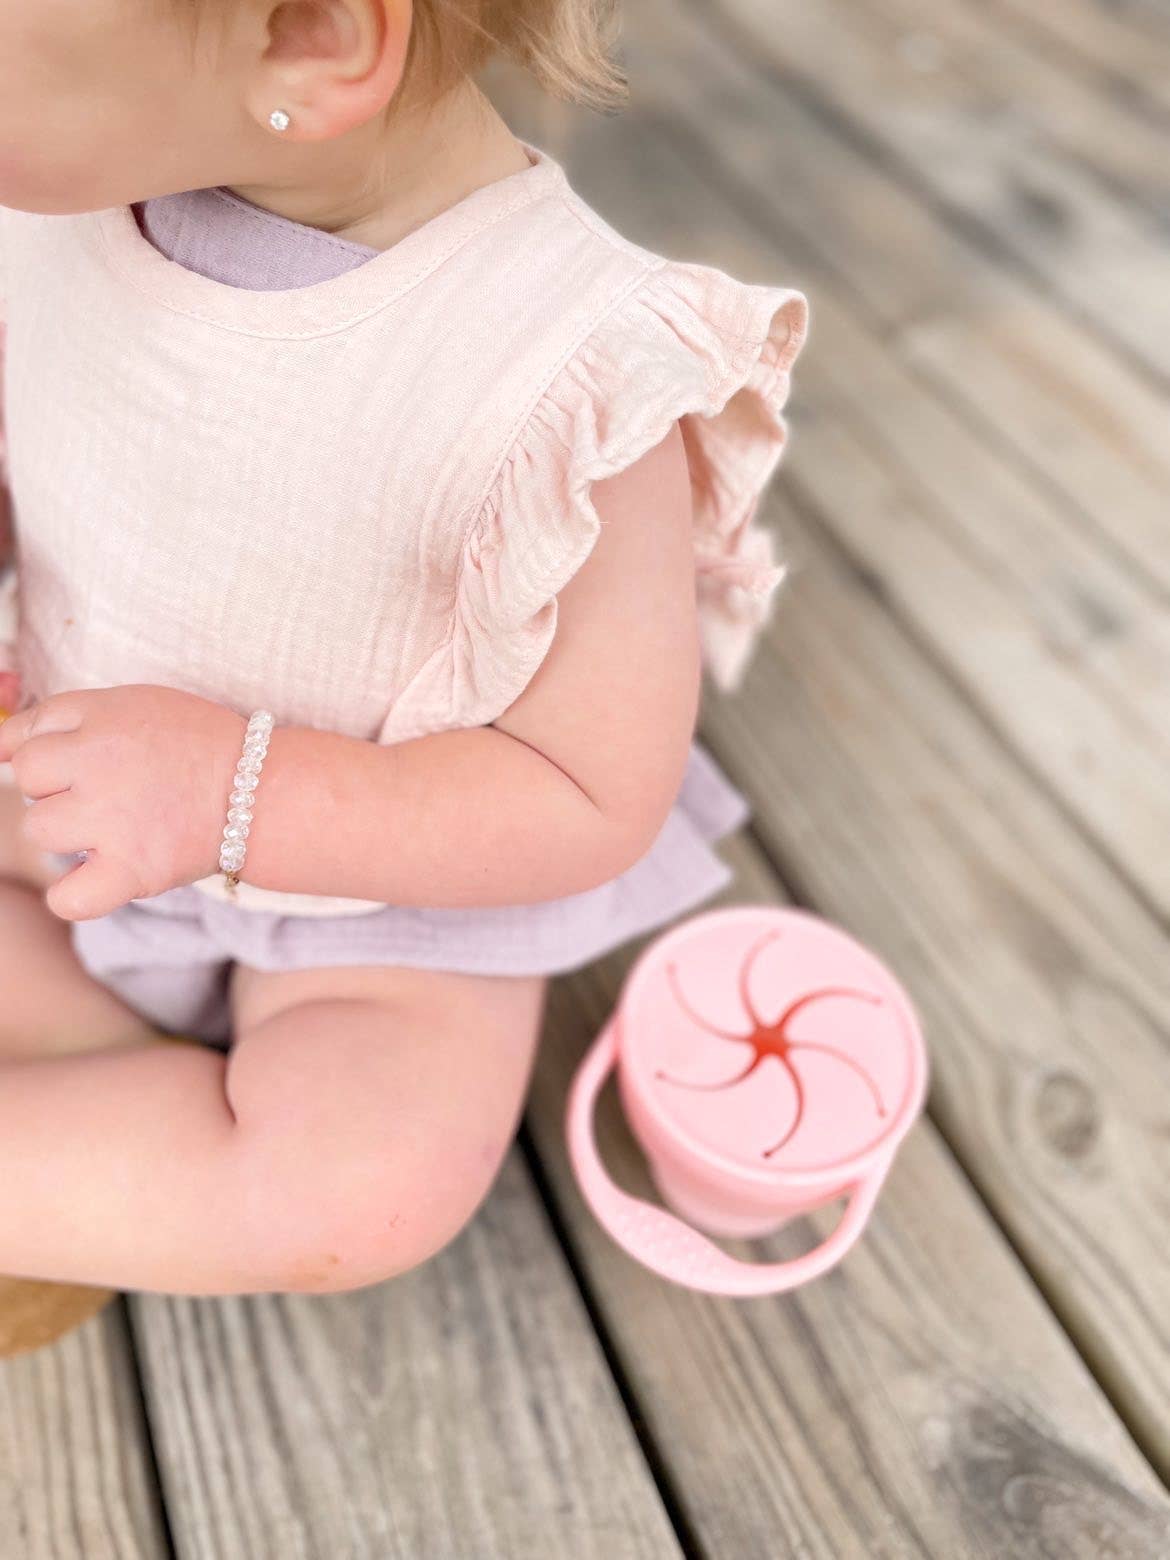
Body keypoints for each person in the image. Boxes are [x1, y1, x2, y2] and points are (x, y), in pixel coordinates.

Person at [0, 0, 807, 1342]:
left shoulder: (560, 377)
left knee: (361, 1185)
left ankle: (84, 1136)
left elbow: (585, 791)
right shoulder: (63, 188)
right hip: (58, 787)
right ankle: (107, 1118)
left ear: (311, 39)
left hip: (386, 912)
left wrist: (236, 794)